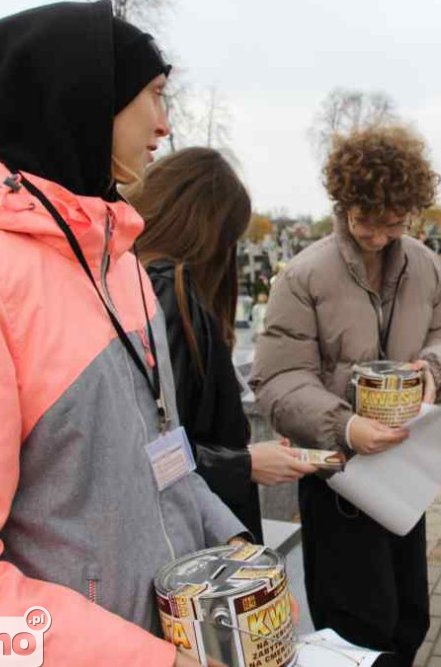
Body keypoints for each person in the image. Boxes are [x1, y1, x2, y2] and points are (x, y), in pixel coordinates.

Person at [0, 4, 247, 667]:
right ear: (86, 103)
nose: (166, 124)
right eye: (155, 96)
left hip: (180, 642)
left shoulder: (123, 266)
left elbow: (165, 455)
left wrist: (236, 546)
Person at [250, 125, 441, 667]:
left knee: (408, 617)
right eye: (367, 221)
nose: (378, 236)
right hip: (339, 478)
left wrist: (434, 375)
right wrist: (347, 427)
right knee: (353, 627)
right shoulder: (303, 277)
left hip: (405, 472)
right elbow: (277, 380)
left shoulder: (426, 267)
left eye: (394, 222)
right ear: (345, 204)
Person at [127, 147, 317, 546]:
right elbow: (152, 448)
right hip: (198, 530)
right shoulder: (169, 293)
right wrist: (244, 463)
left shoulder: (134, 281)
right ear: (209, 232)